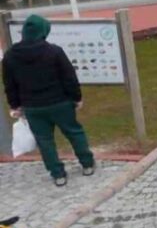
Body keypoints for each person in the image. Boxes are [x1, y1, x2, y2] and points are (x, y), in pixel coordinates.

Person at [2, 15, 94, 186]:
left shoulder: (10, 56)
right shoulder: (54, 51)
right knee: (74, 133)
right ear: (43, 31)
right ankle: (87, 164)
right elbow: (69, 77)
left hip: (32, 107)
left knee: (45, 141)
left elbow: (9, 84)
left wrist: (15, 105)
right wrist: (76, 97)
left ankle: (58, 174)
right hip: (60, 103)